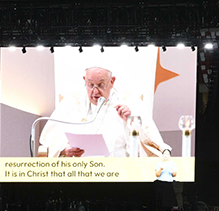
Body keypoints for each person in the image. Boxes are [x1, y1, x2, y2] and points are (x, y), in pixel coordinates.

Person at [39, 66, 170, 158]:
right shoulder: (72, 102)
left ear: (112, 82)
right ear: (84, 80)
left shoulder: (129, 101)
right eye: (90, 85)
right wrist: (64, 149)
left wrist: (131, 120)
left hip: (119, 171)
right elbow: (51, 137)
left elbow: (150, 140)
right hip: (80, 171)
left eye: (101, 85)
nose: (95, 91)